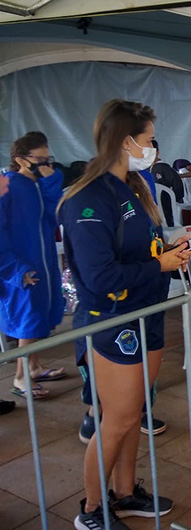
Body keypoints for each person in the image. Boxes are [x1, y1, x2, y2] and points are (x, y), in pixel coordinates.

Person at [60, 99, 191, 529]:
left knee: (133, 415)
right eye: (149, 140)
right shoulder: (88, 198)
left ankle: (123, 492)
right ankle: (92, 511)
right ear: (125, 141)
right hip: (113, 321)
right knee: (115, 420)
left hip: (147, 311)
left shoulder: (134, 186)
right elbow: (99, 276)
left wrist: (167, 252)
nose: (153, 148)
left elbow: (138, 249)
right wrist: (160, 266)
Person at [0, 132, 66, 400]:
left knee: (39, 315)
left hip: (43, 261)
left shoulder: (35, 186)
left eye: (47, 158)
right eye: (39, 159)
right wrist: (16, 270)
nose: (45, 164)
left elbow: (52, 217)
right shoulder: (7, 187)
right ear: (20, 160)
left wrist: (51, 182)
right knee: (28, 320)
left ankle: (35, 366)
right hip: (21, 266)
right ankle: (20, 377)